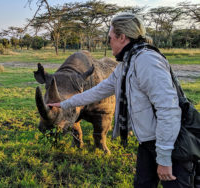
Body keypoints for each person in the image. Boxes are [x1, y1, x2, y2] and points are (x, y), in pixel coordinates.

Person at [48, 13, 195, 188]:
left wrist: (164, 158)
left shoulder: (146, 61)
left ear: (122, 37)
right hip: (148, 142)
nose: (108, 42)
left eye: (110, 38)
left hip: (171, 144)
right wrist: (64, 104)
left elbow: (168, 109)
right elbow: (98, 91)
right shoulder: (127, 64)